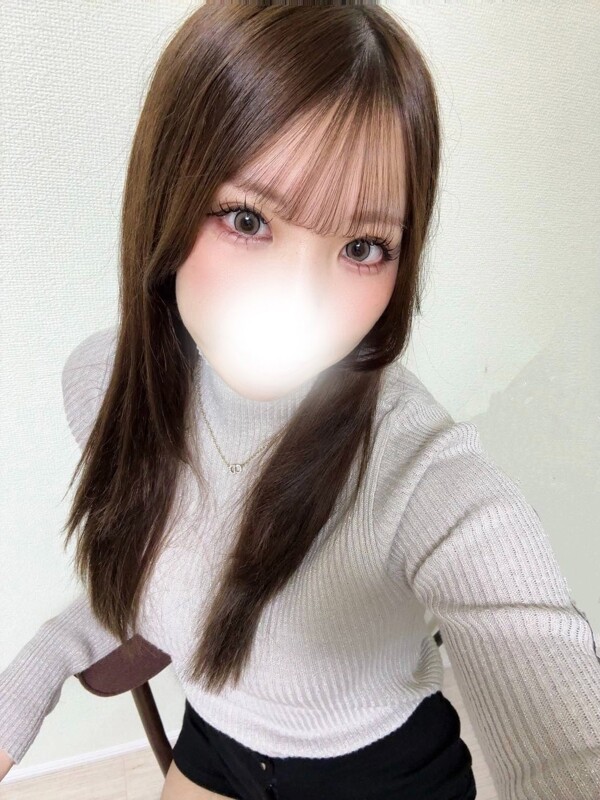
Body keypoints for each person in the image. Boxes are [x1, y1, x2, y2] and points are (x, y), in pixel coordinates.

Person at [2, 2, 599, 798]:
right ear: (165, 198)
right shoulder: (103, 383)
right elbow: (167, 583)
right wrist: (27, 684)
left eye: (363, 247)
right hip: (217, 741)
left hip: (382, 772)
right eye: (248, 219)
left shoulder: (424, 477)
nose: (303, 300)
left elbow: (560, 723)